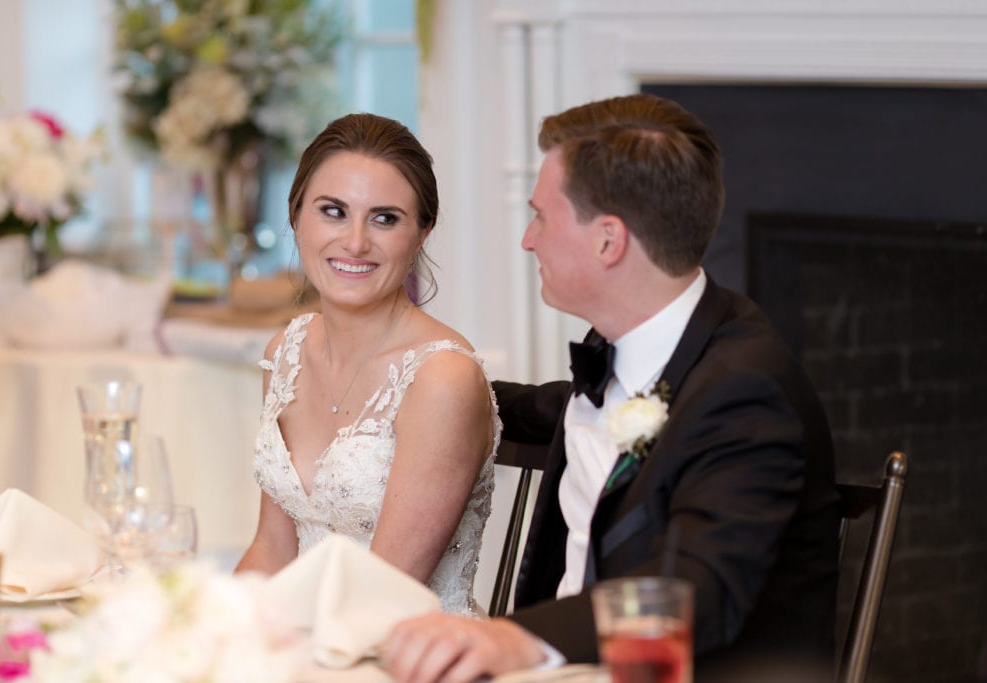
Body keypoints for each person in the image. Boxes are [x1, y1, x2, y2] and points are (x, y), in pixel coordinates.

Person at [383, 93, 839, 681]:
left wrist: (514, 638)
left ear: (608, 241)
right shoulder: (650, 355)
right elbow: (550, 409)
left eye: (542, 216)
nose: (528, 239)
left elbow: (695, 593)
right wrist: (421, 384)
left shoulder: (747, 393)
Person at [235, 113, 500, 616]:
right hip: (305, 644)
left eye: (385, 218)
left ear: (421, 233)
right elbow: (272, 549)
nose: (355, 242)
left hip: (404, 654)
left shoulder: (442, 378)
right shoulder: (285, 353)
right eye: (333, 211)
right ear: (295, 217)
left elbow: (381, 596)